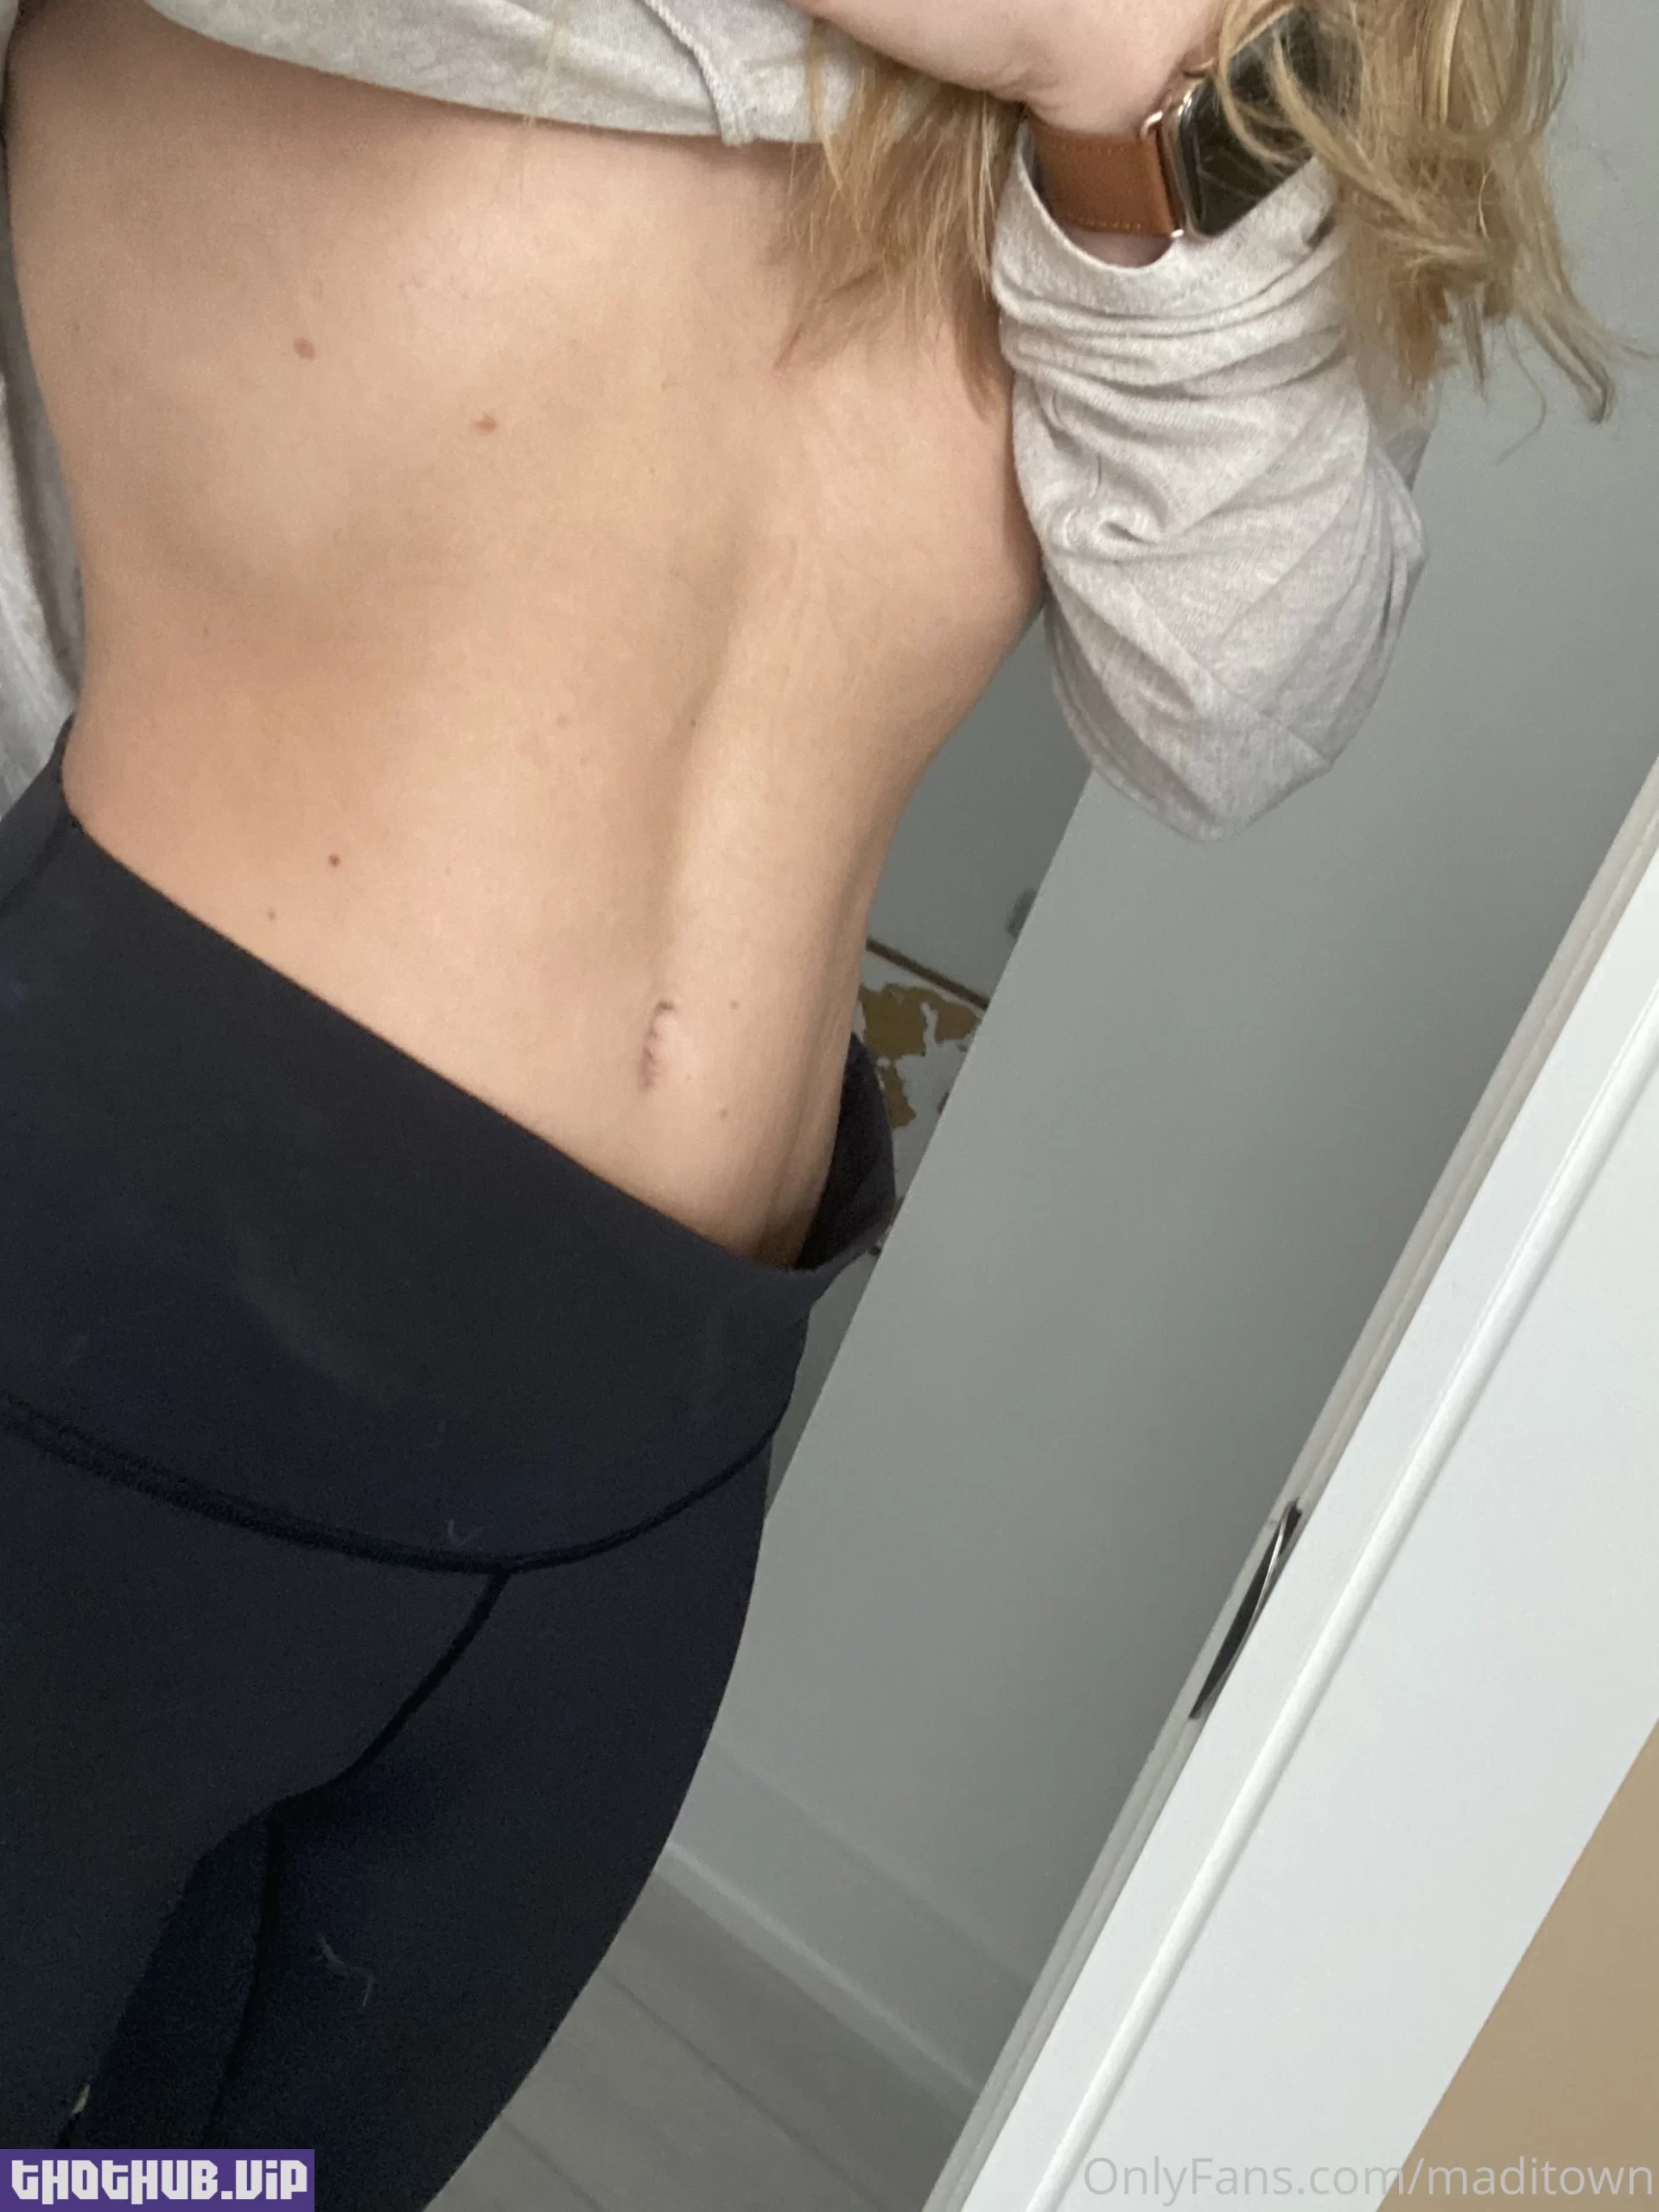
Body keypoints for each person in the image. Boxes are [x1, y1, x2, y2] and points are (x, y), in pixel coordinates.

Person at [0, 0, 1630, 2199]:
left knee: (224, 2191)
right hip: (113, 1346)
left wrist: (1114, 95)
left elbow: (1235, 704)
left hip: (638, 1495)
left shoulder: (1186, 74)